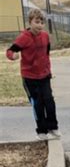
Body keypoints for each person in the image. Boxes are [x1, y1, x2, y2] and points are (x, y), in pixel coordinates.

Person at [6, 8, 60, 140]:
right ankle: (41, 131)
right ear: (30, 22)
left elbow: (46, 55)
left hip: (44, 75)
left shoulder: (45, 36)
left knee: (49, 101)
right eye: (37, 22)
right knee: (38, 103)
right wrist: (13, 56)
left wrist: (49, 70)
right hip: (30, 77)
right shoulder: (24, 38)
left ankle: (53, 128)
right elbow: (10, 51)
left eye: (42, 22)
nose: (40, 25)